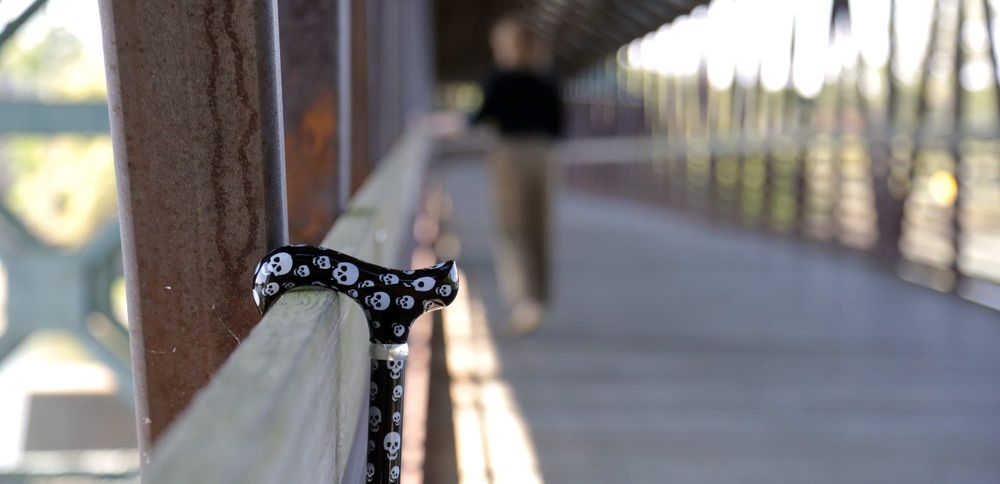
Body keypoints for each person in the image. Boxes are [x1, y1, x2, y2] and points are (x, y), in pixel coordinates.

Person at [471, 15, 563, 335]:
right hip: (543, 154)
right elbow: (558, 125)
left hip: (509, 153)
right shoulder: (548, 79)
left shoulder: (500, 79)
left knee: (512, 227)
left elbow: (481, 116)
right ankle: (539, 296)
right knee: (539, 225)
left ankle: (522, 300)